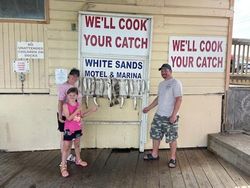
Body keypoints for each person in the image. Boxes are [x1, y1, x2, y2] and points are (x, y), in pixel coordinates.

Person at [143, 64, 182, 168]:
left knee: (172, 138)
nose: (163, 72)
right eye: (162, 71)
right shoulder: (161, 84)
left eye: (165, 70)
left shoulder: (176, 83)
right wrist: (149, 108)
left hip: (170, 116)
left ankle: (173, 158)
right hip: (159, 115)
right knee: (155, 135)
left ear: (170, 71)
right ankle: (154, 154)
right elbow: (158, 99)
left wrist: (174, 115)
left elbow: (179, 99)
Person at [60, 87, 97, 177]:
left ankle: (78, 160)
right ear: (67, 96)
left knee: (77, 145)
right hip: (69, 129)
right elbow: (68, 118)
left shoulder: (78, 104)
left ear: (77, 96)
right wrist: (77, 110)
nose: (72, 96)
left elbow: (82, 116)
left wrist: (91, 110)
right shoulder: (65, 105)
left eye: (74, 95)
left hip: (77, 128)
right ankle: (63, 166)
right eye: (70, 95)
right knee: (66, 147)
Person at [57, 68, 81, 162]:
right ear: (69, 76)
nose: (74, 78)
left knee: (72, 137)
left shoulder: (74, 86)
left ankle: (68, 156)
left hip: (75, 116)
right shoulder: (63, 86)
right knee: (65, 137)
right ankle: (65, 158)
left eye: (76, 77)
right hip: (65, 114)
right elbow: (60, 101)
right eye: (73, 76)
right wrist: (60, 115)